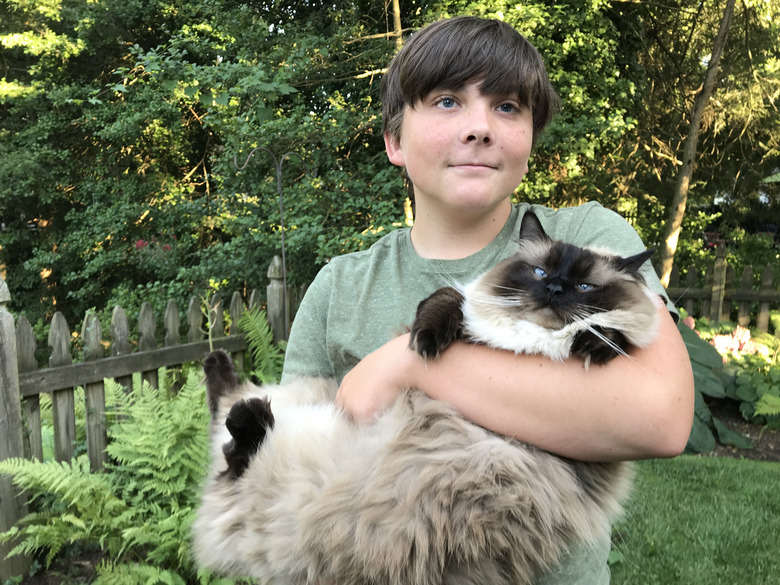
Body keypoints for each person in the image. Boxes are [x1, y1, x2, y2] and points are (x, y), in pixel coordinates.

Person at [281, 16, 695, 584]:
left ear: (529, 138)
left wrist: (410, 362)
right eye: (448, 101)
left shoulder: (589, 240)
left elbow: (662, 418)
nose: (479, 127)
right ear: (394, 141)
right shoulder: (340, 287)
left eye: (506, 107)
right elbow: (286, 472)